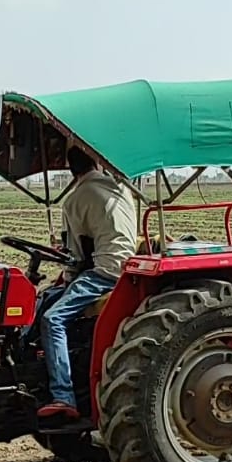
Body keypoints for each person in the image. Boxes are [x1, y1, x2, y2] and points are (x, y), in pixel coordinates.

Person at [37, 147, 137, 419]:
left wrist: (68, 278)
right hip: (126, 266)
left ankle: (63, 395)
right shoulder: (121, 188)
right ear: (97, 162)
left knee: (52, 319)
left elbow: (76, 254)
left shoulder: (76, 199)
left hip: (105, 272)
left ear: (71, 170)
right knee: (47, 298)